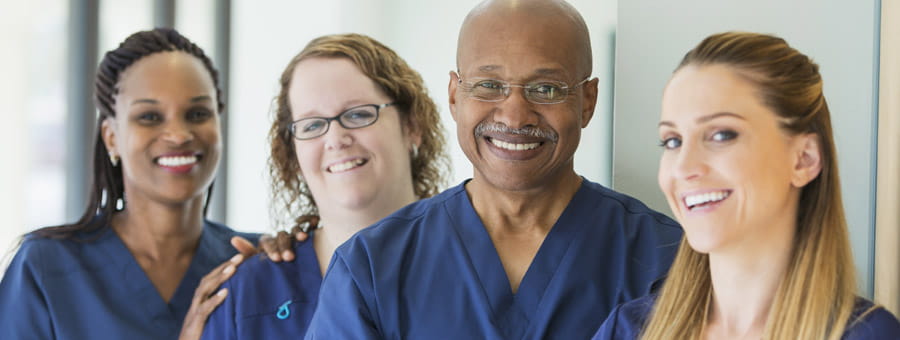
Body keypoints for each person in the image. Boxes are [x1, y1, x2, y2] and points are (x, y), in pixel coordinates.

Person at [304, 1, 682, 339]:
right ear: (455, 96)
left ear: (587, 101)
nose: (514, 116)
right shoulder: (371, 268)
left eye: (546, 89)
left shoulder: (666, 259)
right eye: (489, 85)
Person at [592, 32, 900, 339]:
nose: (684, 167)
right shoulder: (628, 329)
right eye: (673, 141)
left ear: (803, 159)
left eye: (721, 135)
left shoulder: (868, 334)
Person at [0, 28, 261, 340]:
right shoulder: (46, 268)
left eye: (197, 113)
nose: (179, 135)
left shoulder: (253, 261)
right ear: (112, 138)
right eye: (150, 116)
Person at [197, 33, 449, 339]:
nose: (336, 139)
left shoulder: (475, 266)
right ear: (293, 152)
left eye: (359, 114)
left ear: (412, 126)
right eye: (313, 125)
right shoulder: (247, 295)